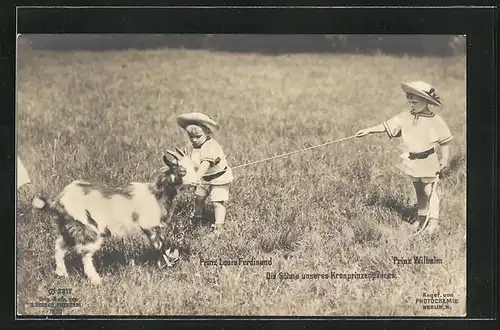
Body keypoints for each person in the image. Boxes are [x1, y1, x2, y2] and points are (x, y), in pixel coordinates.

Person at [355, 81, 453, 234]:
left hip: (427, 161)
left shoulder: (435, 120)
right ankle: (421, 218)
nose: (411, 105)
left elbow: (445, 141)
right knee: (419, 190)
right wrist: (368, 130)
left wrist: (444, 159)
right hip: (412, 162)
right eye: (409, 102)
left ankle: (433, 222)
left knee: (430, 191)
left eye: (414, 102)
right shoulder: (405, 117)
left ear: (426, 101)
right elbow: (386, 125)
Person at [177, 112, 233, 232]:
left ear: (208, 132)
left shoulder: (210, 146)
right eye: (191, 136)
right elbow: (194, 163)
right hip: (204, 178)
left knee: (217, 202)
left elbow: (205, 164)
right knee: (198, 198)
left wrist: (196, 177)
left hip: (218, 179)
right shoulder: (196, 147)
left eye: (198, 136)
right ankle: (198, 218)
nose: (194, 140)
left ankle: (219, 226)